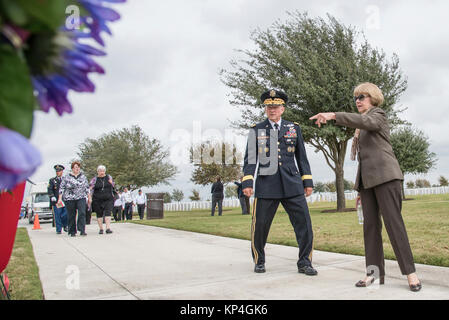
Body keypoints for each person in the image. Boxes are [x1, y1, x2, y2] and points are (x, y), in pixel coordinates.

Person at [310, 82, 421, 292]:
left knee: (394, 225)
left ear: (373, 97)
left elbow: (364, 121)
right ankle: (374, 273)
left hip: (387, 178)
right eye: (355, 98)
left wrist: (334, 115)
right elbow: (364, 157)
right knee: (370, 228)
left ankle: (410, 273)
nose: (358, 101)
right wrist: (360, 187)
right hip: (368, 182)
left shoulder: (378, 115)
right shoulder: (361, 126)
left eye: (362, 96)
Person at [242, 89, 317, 275]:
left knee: (304, 225)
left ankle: (305, 262)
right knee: (260, 226)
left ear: (282, 109)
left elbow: (302, 157)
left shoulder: (294, 128)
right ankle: (259, 260)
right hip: (266, 185)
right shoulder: (256, 129)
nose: (272, 110)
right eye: (269, 107)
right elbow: (250, 160)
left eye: (275, 107)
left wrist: (307, 181)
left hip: (292, 183)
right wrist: (247, 183)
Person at [58, 161, 89, 237]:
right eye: (75, 167)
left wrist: (89, 197)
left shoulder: (83, 177)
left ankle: (82, 229)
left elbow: (87, 188)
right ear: (72, 168)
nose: (77, 169)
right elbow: (61, 188)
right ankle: (72, 231)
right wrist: (60, 198)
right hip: (69, 198)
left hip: (81, 197)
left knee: (82, 213)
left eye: (78, 167)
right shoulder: (67, 177)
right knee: (71, 214)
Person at [89, 165, 115, 234]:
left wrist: (111, 183)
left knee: (108, 212)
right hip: (97, 199)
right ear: (97, 172)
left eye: (103, 171)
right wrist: (90, 197)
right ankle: (101, 228)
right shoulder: (94, 179)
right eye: (100, 171)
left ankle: (108, 228)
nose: (102, 172)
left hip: (108, 198)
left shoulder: (109, 177)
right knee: (99, 213)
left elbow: (113, 185)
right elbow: (90, 188)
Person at [48, 164, 68, 234]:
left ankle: (65, 225)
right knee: (57, 215)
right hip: (57, 201)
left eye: (59, 171)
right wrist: (52, 196)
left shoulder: (66, 179)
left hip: (65, 200)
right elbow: (50, 189)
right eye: (56, 171)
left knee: (65, 214)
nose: (57, 172)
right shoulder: (52, 180)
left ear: (62, 171)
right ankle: (59, 229)